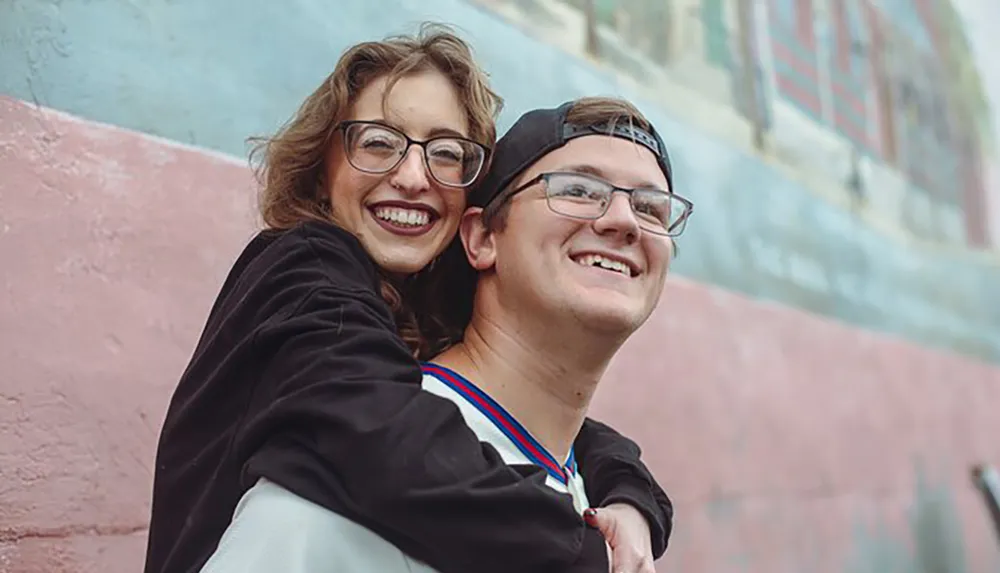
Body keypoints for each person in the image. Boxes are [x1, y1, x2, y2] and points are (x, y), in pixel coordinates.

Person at [142, 25, 672, 573]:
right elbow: (390, 440)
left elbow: (562, 422)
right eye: (377, 143)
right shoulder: (303, 269)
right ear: (321, 169)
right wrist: (584, 552)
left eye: (446, 154)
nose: (413, 176)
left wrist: (630, 497)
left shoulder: (407, 326)